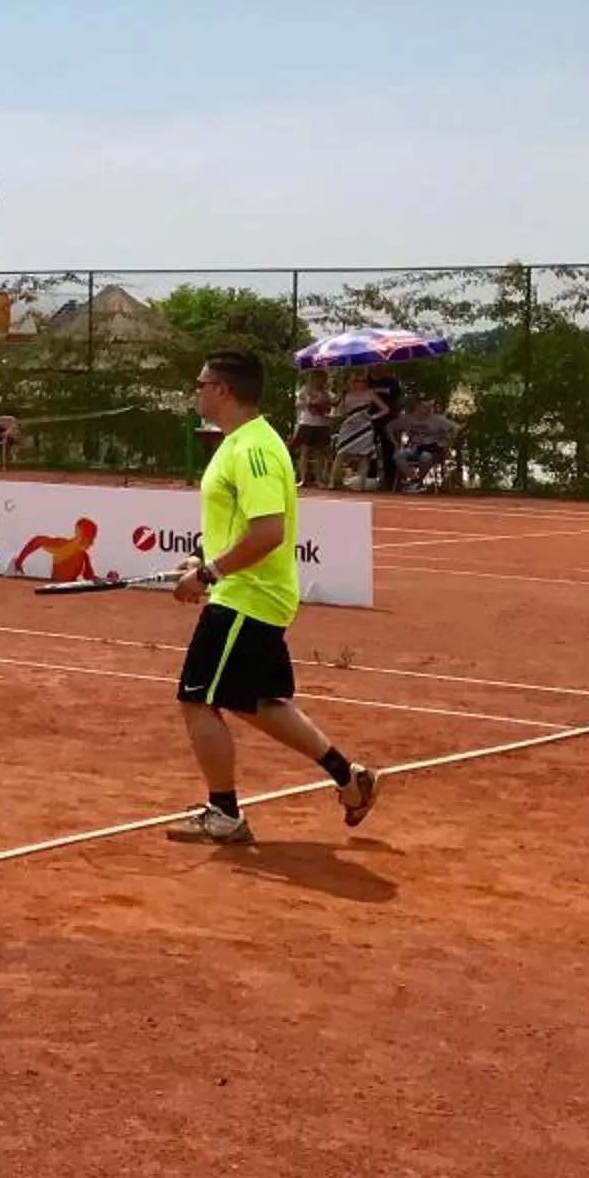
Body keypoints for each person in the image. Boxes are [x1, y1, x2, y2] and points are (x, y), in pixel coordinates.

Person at [167, 349, 380, 846]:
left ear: (222, 390)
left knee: (197, 700)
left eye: (201, 384)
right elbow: (240, 526)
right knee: (257, 701)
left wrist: (211, 574)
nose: (195, 391)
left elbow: (268, 532)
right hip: (247, 593)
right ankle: (351, 779)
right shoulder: (239, 443)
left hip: (248, 597)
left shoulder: (253, 450)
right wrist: (201, 561)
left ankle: (223, 813)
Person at [291, 373, 336, 489]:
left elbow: (330, 406)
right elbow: (298, 404)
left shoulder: (326, 393)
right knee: (304, 451)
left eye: (321, 379)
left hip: (321, 424)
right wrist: (310, 402)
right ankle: (303, 479)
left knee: (319, 452)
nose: (319, 381)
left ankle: (319, 479)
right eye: (316, 378)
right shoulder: (305, 390)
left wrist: (324, 405)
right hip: (307, 423)